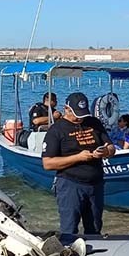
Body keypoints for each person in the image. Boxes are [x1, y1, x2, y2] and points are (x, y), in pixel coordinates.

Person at [41, 92, 115, 235]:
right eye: (77, 115)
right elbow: (47, 163)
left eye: (83, 115)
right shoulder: (56, 130)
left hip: (95, 184)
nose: (80, 118)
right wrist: (78, 157)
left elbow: (111, 147)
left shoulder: (94, 123)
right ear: (67, 109)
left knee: (94, 227)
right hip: (70, 184)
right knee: (69, 229)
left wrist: (105, 152)